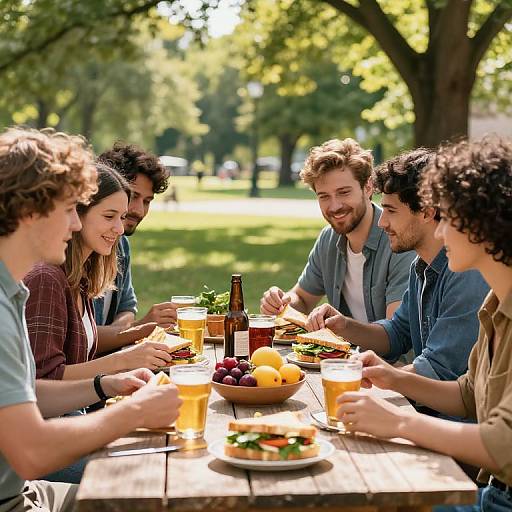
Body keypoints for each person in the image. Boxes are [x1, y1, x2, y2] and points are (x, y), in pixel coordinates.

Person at [0, 127, 181, 511]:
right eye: (70, 209)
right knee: (152, 488)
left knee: (158, 482)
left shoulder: (12, 291)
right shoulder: (14, 298)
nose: (77, 224)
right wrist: (134, 412)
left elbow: (31, 392)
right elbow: (31, 452)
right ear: (31, 211)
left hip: (24, 490)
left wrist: (108, 384)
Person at [336, 136, 512, 511]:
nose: (442, 230)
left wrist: (398, 422)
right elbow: (467, 392)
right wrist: (392, 378)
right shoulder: (495, 303)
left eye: (449, 217)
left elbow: (503, 447)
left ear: (483, 223)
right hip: (492, 492)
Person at [308, 148, 489, 383]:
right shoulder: (421, 266)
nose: (382, 222)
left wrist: (369, 376)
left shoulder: (465, 274)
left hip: (449, 417)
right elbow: (396, 333)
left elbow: (438, 369)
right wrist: (344, 325)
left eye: (391, 211)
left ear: (426, 212)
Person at [24, 164, 175, 381]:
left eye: (122, 217)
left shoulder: (82, 276)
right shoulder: (47, 278)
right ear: (78, 214)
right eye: (109, 216)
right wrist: (123, 361)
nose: (120, 229)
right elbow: (43, 380)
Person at [260, 138, 414, 323]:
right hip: (345, 351)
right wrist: (281, 302)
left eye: (343, 192)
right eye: (324, 196)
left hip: (381, 353)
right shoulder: (328, 239)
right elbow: (302, 299)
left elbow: (395, 334)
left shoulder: (398, 240)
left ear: (368, 187)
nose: (334, 206)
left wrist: (342, 327)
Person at [94, 143, 178, 349]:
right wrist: (139, 328)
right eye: (133, 196)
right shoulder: (71, 253)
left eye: (147, 201)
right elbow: (81, 337)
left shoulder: (121, 245)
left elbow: (126, 307)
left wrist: (117, 336)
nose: (139, 211)